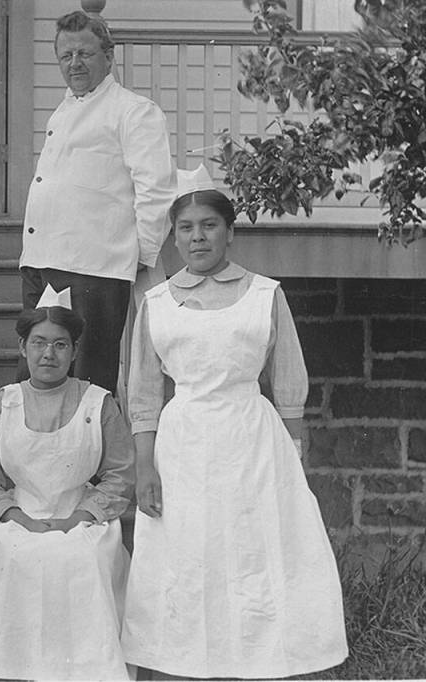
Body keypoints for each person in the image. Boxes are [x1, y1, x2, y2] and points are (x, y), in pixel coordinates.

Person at [121, 167, 348, 678]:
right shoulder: (155, 302)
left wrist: (295, 444)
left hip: (251, 435)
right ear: (173, 235)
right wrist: (143, 466)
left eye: (208, 225)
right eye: (185, 228)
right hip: (183, 440)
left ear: (230, 231)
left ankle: (260, 655)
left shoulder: (265, 294)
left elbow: (288, 378)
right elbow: (142, 392)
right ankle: (184, 658)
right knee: (189, 546)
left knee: (255, 543)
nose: (197, 237)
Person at [0, 286, 134, 680]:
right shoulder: (3, 402)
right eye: (38, 343)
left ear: (73, 351)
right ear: (23, 348)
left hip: (83, 515)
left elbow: (120, 474)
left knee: (82, 557)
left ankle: (84, 669)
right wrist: (16, 515)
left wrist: (81, 517)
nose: (48, 354)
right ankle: (14, 666)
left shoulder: (98, 403)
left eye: (60, 345)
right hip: (19, 513)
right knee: (17, 556)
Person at [19, 10, 176, 393]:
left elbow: (156, 188)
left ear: (109, 56)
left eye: (85, 54)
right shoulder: (63, 109)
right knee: (38, 377)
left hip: (94, 267)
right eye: (66, 56)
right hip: (42, 261)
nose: (75, 63)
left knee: (87, 379)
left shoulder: (133, 111)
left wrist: (142, 252)